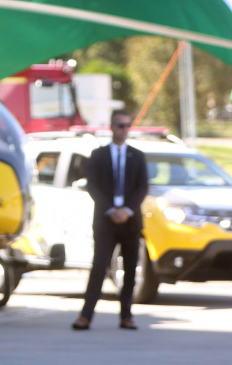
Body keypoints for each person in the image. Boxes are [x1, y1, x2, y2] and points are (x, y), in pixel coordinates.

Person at [72, 110, 148, 331]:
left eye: (127, 125)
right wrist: (110, 210)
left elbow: (143, 186)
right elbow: (92, 185)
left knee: (131, 269)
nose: (123, 129)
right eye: (119, 125)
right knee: (99, 267)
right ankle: (85, 316)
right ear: (112, 127)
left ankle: (127, 315)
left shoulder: (137, 155)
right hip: (106, 221)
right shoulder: (98, 155)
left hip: (130, 221)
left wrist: (126, 210)